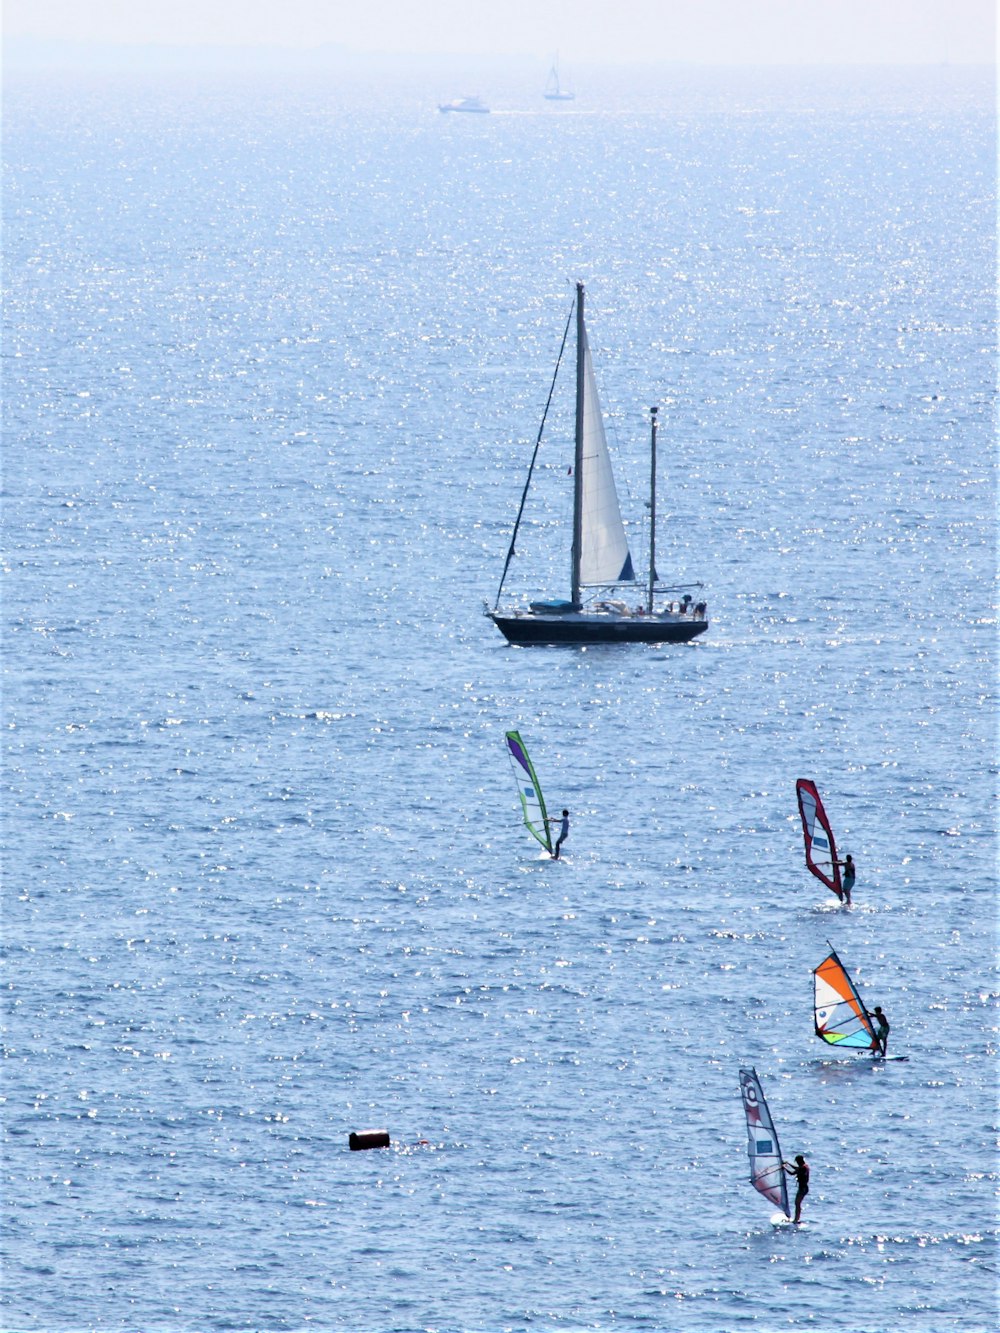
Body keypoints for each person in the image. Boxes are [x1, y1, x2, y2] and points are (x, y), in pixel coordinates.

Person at [783, 1154, 810, 1224]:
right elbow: (796, 1168)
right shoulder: (805, 1166)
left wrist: (784, 1168)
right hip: (804, 1188)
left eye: (797, 1162)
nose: (797, 1163)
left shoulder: (802, 1168)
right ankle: (796, 1218)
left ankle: (796, 1219)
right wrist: (788, 1163)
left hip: (803, 1189)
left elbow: (792, 1173)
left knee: (797, 1203)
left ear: (799, 1161)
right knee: (797, 1203)